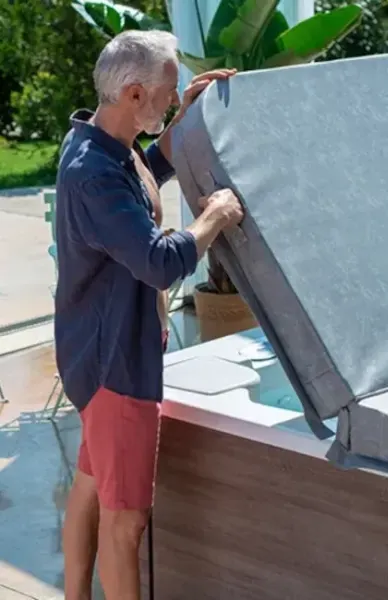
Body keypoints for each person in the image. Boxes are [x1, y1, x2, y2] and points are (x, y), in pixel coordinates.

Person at [54, 30, 242, 600]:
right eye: (169, 90)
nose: (174, 95)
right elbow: (159, 262)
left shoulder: (103, 143)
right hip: (115, 366)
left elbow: (146, 172)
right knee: (126, 521)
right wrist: (215, 216)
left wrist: (182, 119)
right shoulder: (95, 173)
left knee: (92, 488)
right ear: (134, 94)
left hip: (95, 353)